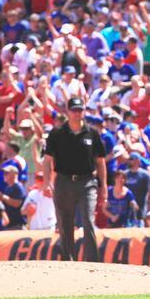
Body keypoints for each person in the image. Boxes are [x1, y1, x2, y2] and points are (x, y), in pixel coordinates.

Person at [43, 97, 107, 261]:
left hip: (87, 182)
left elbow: (100, 161)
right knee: (65, 222)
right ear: (67, 111)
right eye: (74, 110)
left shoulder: (92, 134)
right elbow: (47, 160)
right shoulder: (57, 133)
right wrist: (46, 183)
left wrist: (104, 186)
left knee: (88, 219)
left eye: (80, 110)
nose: (77, 113)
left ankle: (92, 261)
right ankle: (68, 261)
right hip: (64, 181)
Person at [0, 165, 26, 230]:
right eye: (4, 173)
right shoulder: (7, 187)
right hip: (8, 224)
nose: (4, 175)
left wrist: (3, 197)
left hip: (17, 225)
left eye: (6, 173)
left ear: (14, 174)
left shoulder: (18, 187)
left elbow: (17, 204)